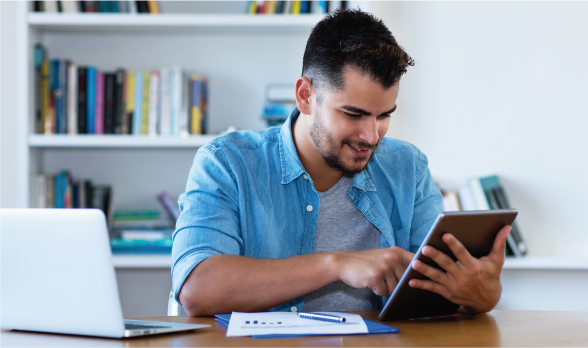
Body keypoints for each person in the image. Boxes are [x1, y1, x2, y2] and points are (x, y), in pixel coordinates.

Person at [172, 9, 511, 316]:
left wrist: (481, 293)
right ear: (306, 96)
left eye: (384, 116)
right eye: (354, 113)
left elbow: (456, 293)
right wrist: (336, 265)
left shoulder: (408, 167)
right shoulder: (227, 163)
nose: (371, 136)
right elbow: (198, 289)